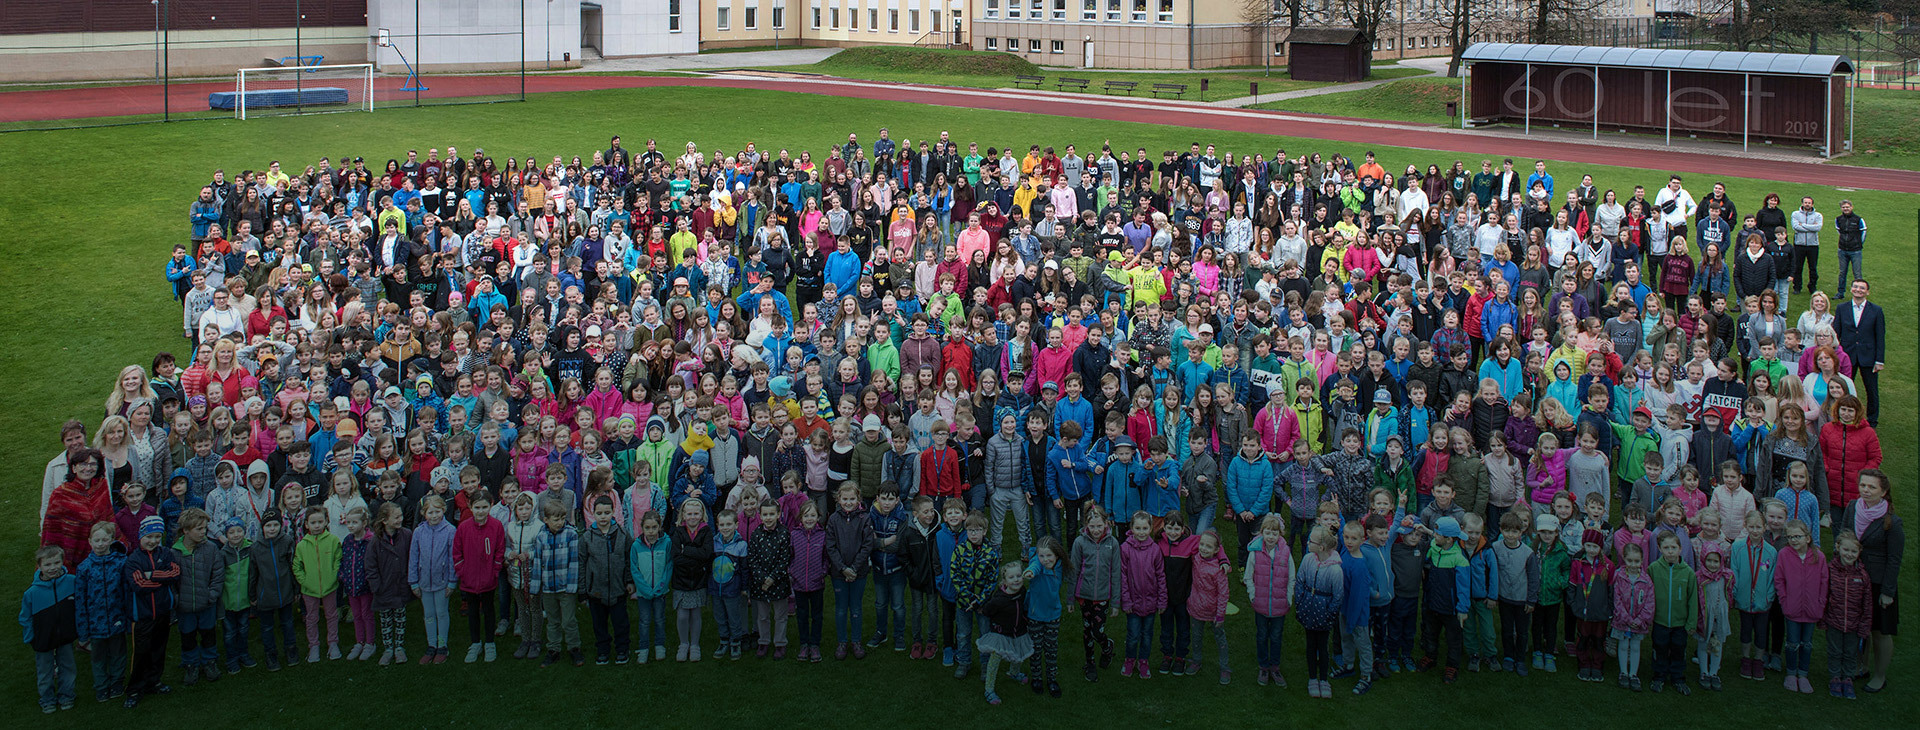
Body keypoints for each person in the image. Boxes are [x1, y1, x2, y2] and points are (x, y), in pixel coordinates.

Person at [23, 545, 79, 713]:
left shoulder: (72, 581)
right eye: (47, 564)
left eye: (56, 563)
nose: (52, 568)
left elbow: (79, 606)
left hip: (66, 636)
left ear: (62, 562)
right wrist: (30, 637)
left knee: (68, 667)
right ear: (39, 566)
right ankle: (47, 699)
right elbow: (25, 618)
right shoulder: (31, 593)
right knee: (45, 671)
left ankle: (66, 695)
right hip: (43, 638)